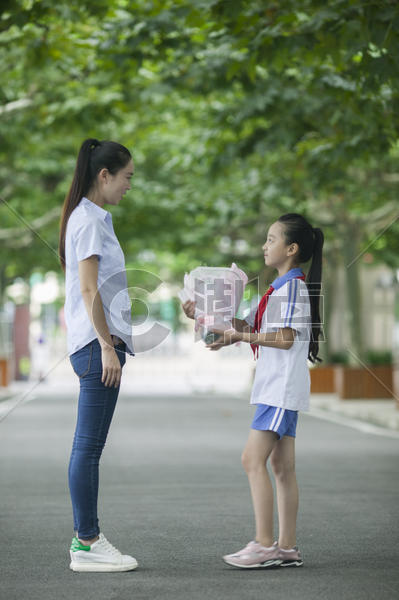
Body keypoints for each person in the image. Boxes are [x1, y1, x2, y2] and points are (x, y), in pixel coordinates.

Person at [182, 213, 324, 569]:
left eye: (272, 239)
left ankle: (264, 544)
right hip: (277, 389)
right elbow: (253, 327)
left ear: (291, 249)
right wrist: (202, 315)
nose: (265, 245)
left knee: (252, 460)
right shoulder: (279, 289)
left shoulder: (291, 289)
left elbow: (284, 338)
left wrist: (238, 336)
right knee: (282, 468)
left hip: (278, 390)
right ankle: (286, 548)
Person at [58, 138, 137, 572]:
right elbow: (89, 289)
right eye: (126, 178)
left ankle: (86, 540)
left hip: (97, 344)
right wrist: (108, 346)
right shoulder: (88, 220)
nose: (129, 186)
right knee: (87, 448)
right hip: (95, 347)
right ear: (104, 175)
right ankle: (86, 541)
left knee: (89, 448)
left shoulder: (90, 218)